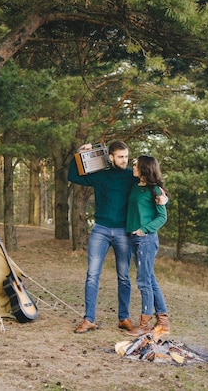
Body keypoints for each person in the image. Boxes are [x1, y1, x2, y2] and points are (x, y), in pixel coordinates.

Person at [67, 141, 138, 334]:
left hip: (124, 231)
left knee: (124, 277)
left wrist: (163, 197)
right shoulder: (100, 176)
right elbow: (73, 175)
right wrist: (79, 154)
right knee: (92, 275)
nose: (125, 160)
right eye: (121, 157)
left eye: (126, 156)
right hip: (101, 229)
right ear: (111, 157)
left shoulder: (132, 176)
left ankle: (124, 318)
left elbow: (152, 184)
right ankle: (89, 319)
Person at [125, 155, 170, 336]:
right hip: (134, 238)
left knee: (144, 282)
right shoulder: (135, 186)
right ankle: (163, 322)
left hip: (146, 239)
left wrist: (144, 229)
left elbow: (162, 216)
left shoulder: (155, 190)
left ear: (144, 168)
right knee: (149, 279)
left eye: (136, 165)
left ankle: (144, 324)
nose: (133, 167)